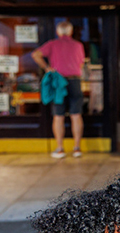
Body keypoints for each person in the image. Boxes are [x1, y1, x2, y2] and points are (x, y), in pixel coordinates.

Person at [32, 20, 85, 158]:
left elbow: (35, 55)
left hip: (58, 82)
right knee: (76, 115)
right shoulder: (78, 45)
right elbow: (81, 63)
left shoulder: (52, 44)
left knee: (58, 116)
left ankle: (60, 149)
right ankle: (77, 149)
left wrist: (47, 68)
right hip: (75, 81)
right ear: (71, 32)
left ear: (58, 32)